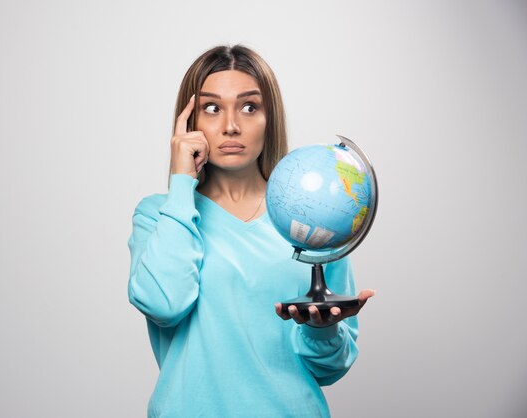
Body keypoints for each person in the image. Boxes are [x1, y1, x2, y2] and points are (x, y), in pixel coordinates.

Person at [128, 45, 375, 418]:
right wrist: (181, 184)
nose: (231, 125)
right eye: (212, 108)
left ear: (268, 118)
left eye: (249, 107)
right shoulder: (158, 215)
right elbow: (164, 305)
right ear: (189, 123)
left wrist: (322, 330)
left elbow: (330, 369)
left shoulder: (315, 220)